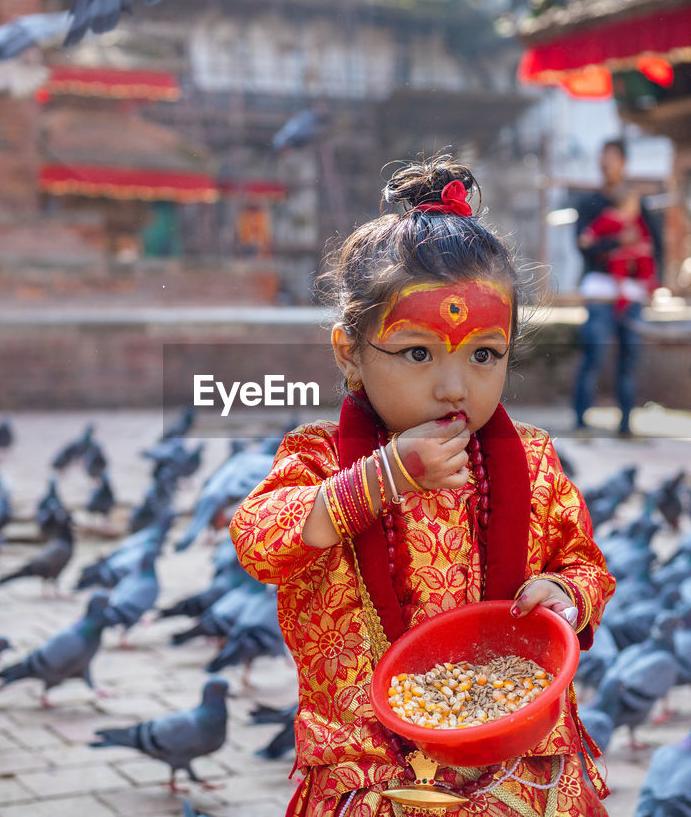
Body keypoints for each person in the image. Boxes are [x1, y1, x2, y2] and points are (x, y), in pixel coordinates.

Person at [231, 155, 616, 816]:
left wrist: (565, 595)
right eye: (417, 353)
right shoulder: (321, 458)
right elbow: (258, 540)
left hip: (518, 769)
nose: (454, 385)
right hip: (378, 774)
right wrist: (381, 478)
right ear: (350, 354)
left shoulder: (531, 457)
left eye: (484, 354)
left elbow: (584, 564)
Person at [571, 138, 663, 436]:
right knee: (593, 356)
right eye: (603, 156)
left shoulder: (639, 205)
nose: (606, 162)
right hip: (600, 291)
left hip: (632, 291)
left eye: (612, 157)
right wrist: (615, 244)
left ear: (623, 162)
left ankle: (625, 424)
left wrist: (653, 281)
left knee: (629, 358)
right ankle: (582, 420)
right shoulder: (590, 204)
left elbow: (655, 245)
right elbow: (583, 244)